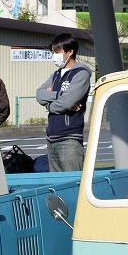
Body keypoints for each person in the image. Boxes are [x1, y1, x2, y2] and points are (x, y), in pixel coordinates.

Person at [36, 32, 92, 172]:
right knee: (57, 186)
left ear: (70, 51)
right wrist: (60, 95)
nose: (54, 55)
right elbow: (39, 95)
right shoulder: (55, 75)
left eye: (57, 51)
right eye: (52, 52)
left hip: (69, 139)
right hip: (51, 138)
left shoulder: (81, 73)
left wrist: (50, 102)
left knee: (73, 184)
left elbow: (66, 102)